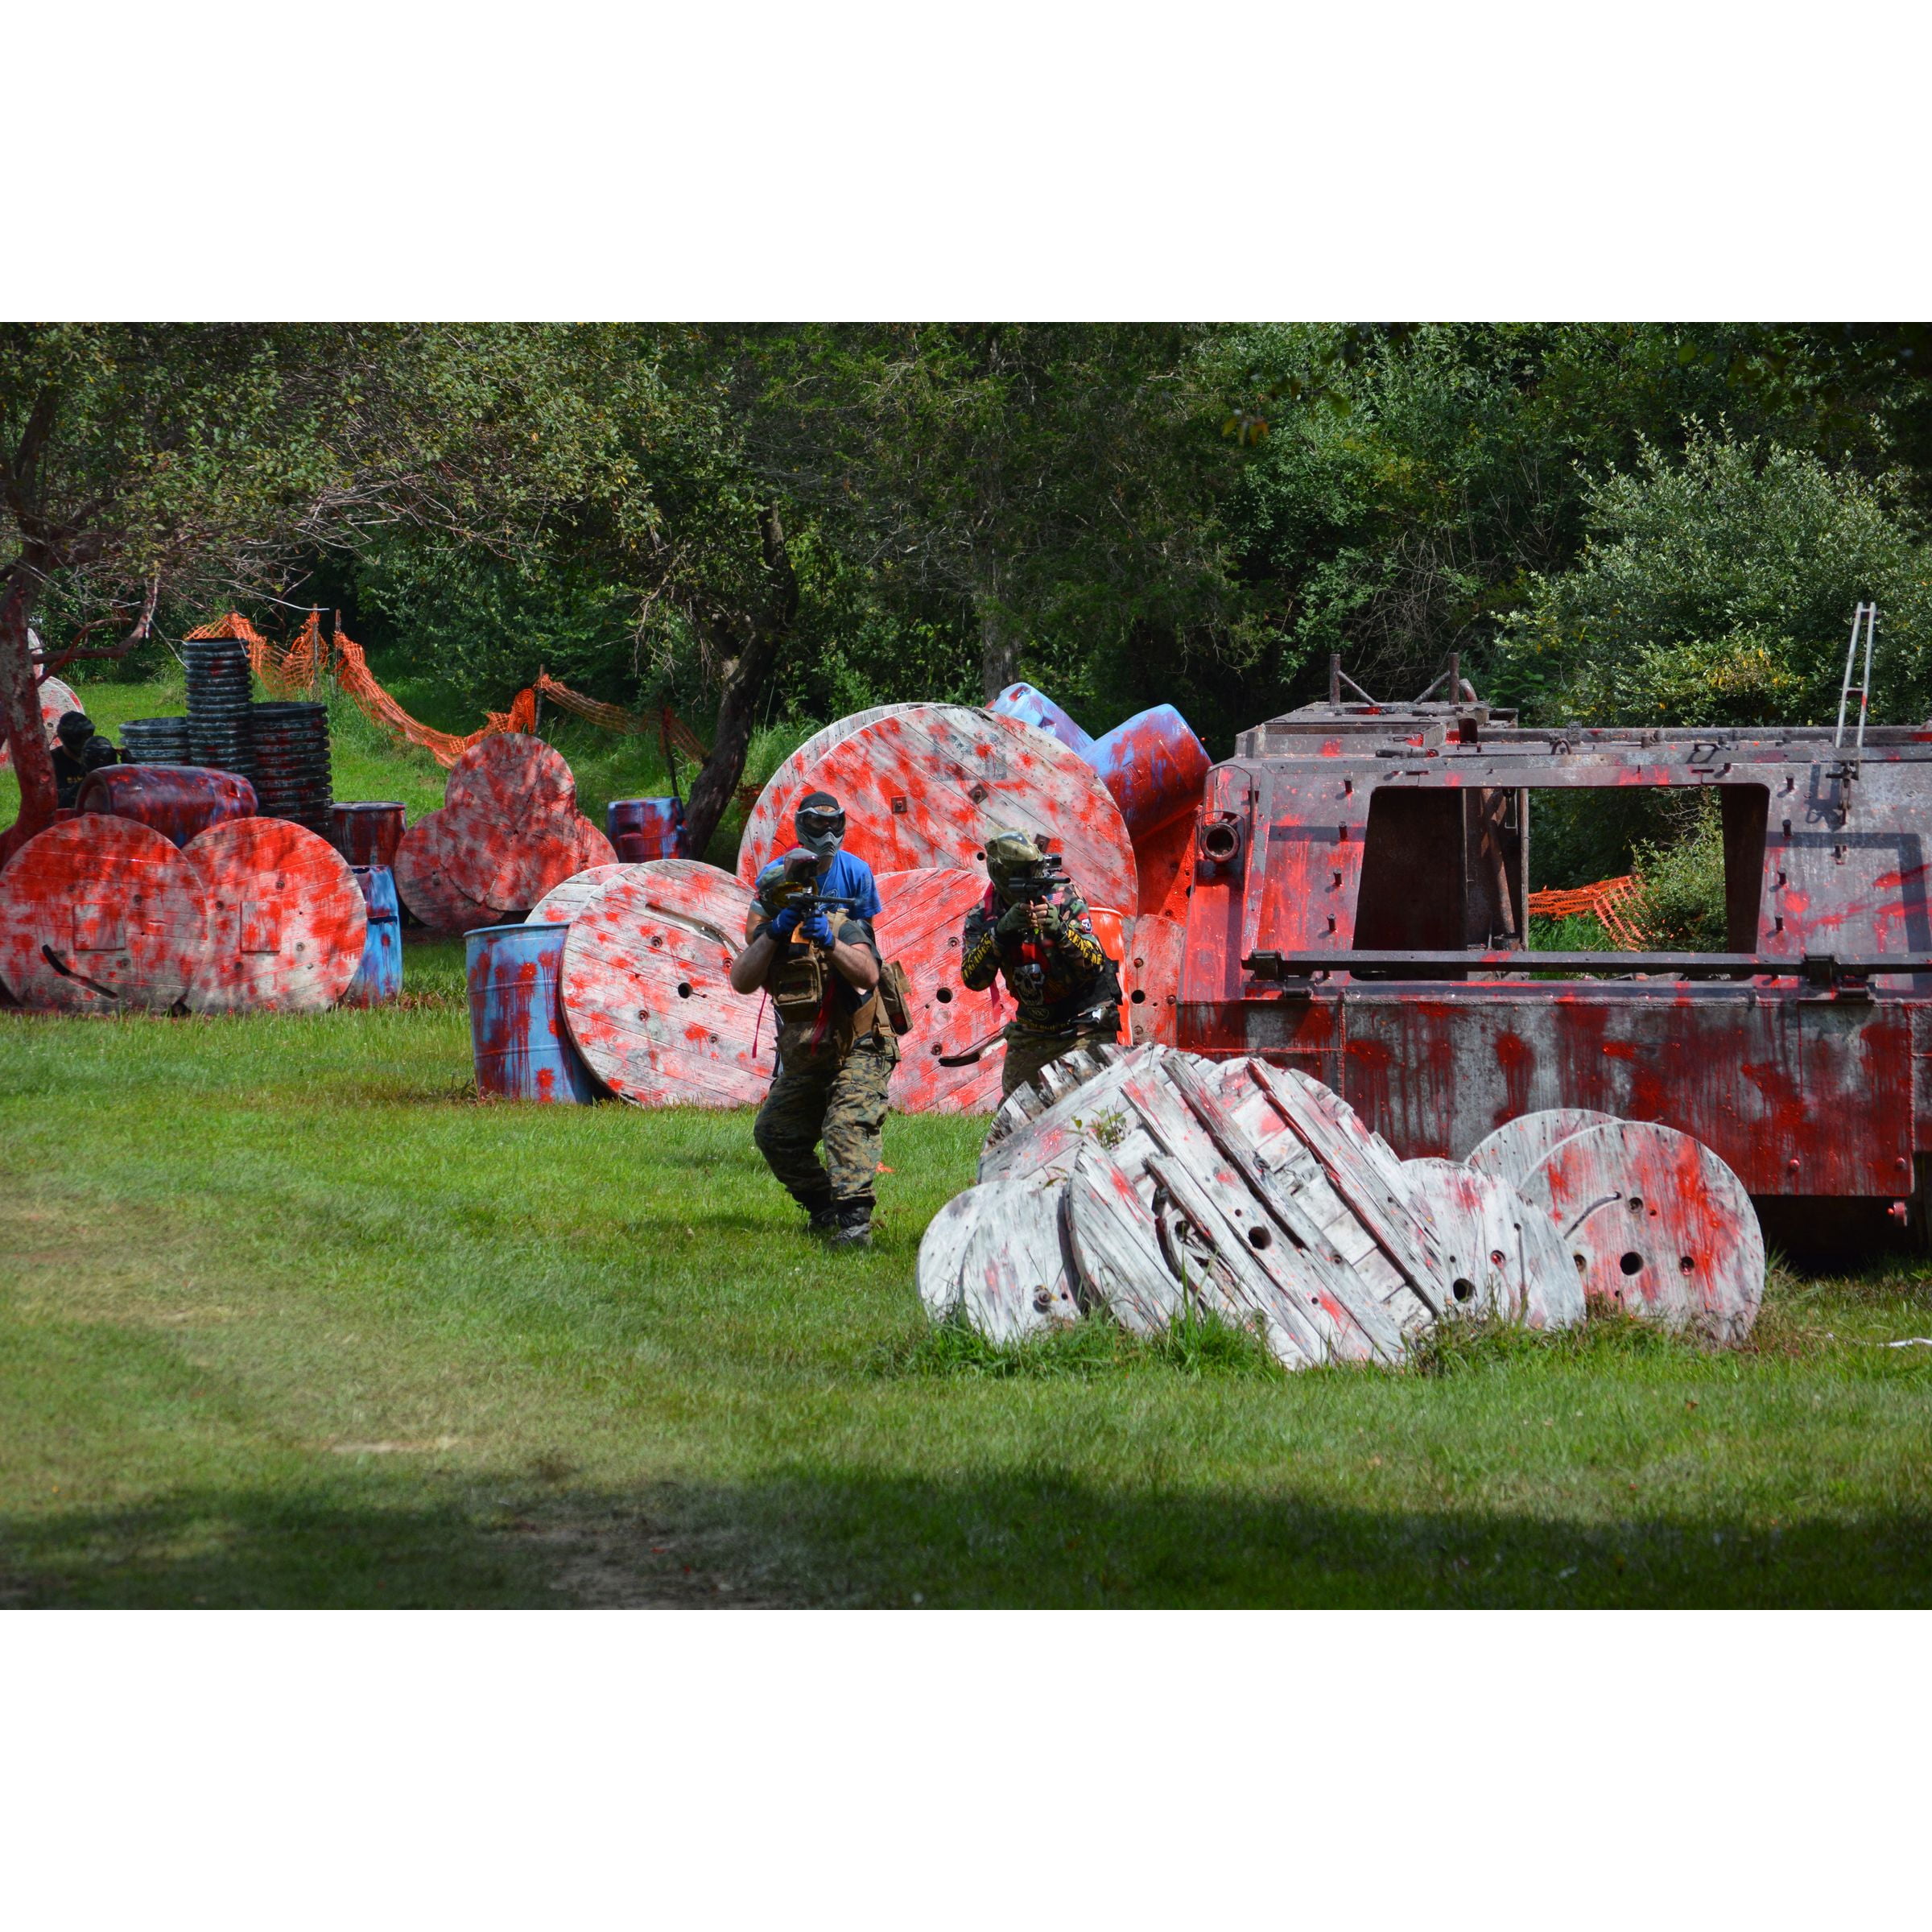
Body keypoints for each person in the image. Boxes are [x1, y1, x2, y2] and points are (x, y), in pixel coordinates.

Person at [729, 792, 894, 1249]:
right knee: (774, 1132)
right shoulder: (773, 926)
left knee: (845, 1125)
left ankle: (855, 1225)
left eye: (834, 825)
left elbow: (868, 973)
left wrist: (829, 940)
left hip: (861, 1042)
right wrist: (775, 933)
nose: (827, 835)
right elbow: (741, 980)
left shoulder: (840, 919)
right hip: (811, 1048)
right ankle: (823, 1210)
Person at [960, 829, 1122, 1100]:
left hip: (1084, 1021)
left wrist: (1060, 930)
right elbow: (973, 979)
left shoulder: (1063, 897)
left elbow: (1095, 962)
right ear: (1001, 874)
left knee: (1093, 1106)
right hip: (1034, 1026)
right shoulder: (983, 915)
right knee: (1018, 1109)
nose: (1031, 880)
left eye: (1032, 871)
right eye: (1021, 874)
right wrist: (1000, 933)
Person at [51, 712, 121, 809]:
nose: (86, 739)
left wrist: (128, 765)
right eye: (80, 736)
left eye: (88, 734)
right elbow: (54, 800)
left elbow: (119, 791)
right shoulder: (52, 762)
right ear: (68, 738)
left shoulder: (97, 757)